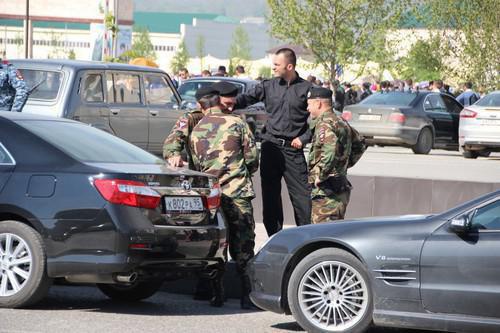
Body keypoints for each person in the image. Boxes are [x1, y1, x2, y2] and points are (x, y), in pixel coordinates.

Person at [189, 83, 259, 309]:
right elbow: (252, 158)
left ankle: (216, 294)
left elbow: (196, 164)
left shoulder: (197, 129)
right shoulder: (238, 123)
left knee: (218, 246)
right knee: (244, 244)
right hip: (238, 192)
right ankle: (248, 296)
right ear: (220, 102)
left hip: (212, 195)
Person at [235, 47, 312, 236]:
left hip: (293, 151)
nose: (273, 68)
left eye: (277, 65)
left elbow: (320, 121)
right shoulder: (267, 86)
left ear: (290, 66)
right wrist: (223, 103)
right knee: (270, 199)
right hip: (270, 147)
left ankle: (307, 238)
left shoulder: (307, 89)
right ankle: (274, 238)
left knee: (302, 199)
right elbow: (245, 99)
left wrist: (303, 138)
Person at [307, 87, 366, 223]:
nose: (307, 108)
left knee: (322, 234)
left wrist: (322, 174)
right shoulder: (339, 121)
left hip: (328, 191)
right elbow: (360, 143)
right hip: (339, 186)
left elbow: (330, 149)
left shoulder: (324, 124)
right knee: (333, 230)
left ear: (318, 103)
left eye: (309, 104)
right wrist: (344, 163)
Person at [162, 86, 217, 168]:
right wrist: (174, 155)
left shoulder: (230, 118)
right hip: (199, 171)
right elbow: (174, 139)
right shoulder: (192, 118)